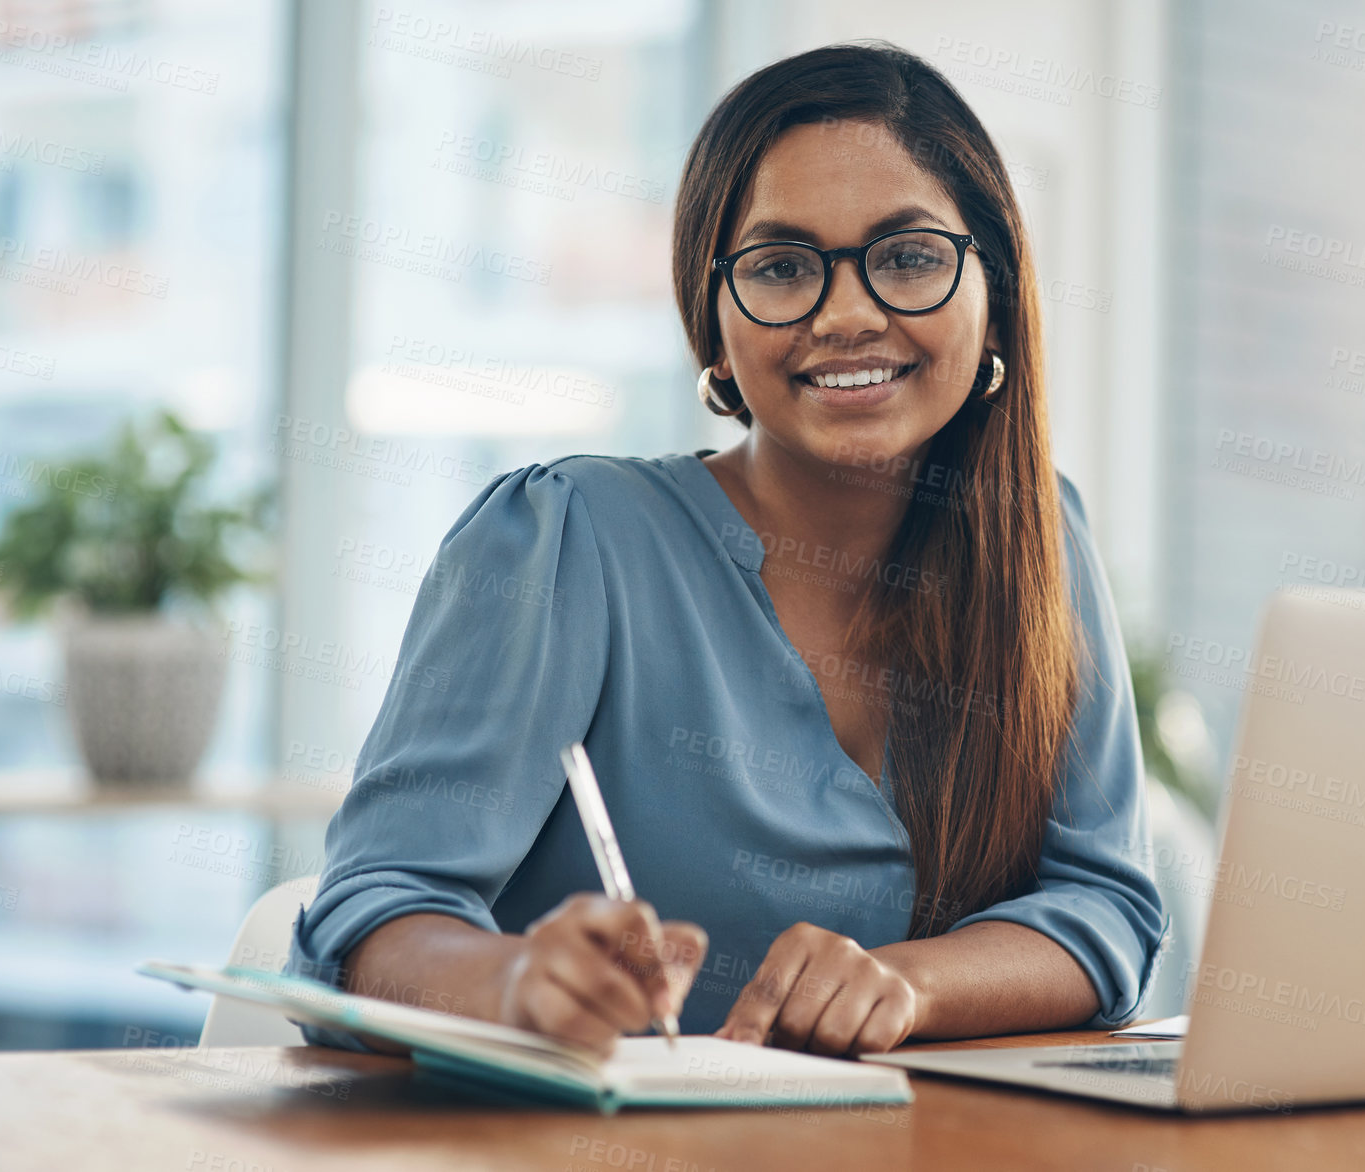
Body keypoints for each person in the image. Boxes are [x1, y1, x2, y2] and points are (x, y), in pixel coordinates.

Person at [284, 40, 1167, 1060]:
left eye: (910, 255)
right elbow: (365, 920)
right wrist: (511, 980)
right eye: (782, 267)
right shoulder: (566, 536)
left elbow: (1105, 910)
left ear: (995, 288)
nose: (847, 314)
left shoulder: (1039, 539)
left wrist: (904, 984)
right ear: (714, 321)